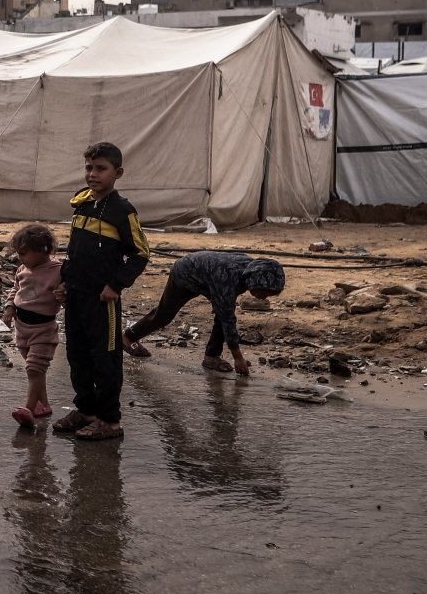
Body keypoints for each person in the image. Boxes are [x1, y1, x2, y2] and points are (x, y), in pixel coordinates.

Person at [53, 142, 151, 441]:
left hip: (102, 300)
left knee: (105, 358)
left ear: (117, 173)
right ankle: (86, 411)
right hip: (76, 295)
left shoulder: (123, 211)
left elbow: (141, 253)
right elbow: (74, 250)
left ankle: (110, 421)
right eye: (88, 168)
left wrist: (115, 285)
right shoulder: (82, 203)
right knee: (77, 354)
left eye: (100, 169)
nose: (92, 174)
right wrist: (64, 282)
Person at [124, 252, 286, 376]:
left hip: (209, 277)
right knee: (164, 315)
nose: (264, 298)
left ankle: (211, 357)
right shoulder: (228, 278)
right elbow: (228, 319)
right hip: (185, 274)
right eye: (264, 292)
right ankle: (128, 338)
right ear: (254, 281)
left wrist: (221, 304)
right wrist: (238, 358)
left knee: (223, 314)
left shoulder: (250, 269)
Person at [3, 223, 63, 431]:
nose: (20, 258)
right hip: (22, 328)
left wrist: (64, 295)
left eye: (24, 253)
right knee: (35, 371)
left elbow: (67, 295)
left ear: (43, 250)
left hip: (43, 330)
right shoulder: (23, 269)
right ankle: (43, 405)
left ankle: (28, 408)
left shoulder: (58, 272)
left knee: (34, 369)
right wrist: (10, 307)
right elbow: (16, 288)